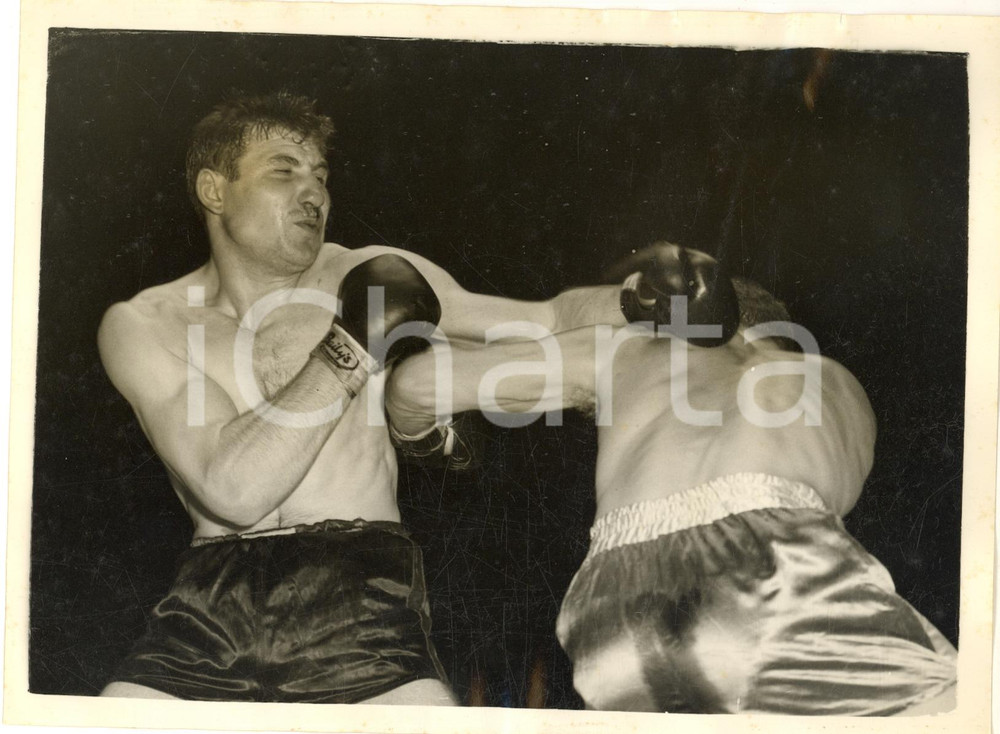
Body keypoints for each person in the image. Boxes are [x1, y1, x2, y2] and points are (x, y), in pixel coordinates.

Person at [96, 92, 736, 705]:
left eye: (321, 176)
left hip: (356, 588)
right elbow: (232, 490)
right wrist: (353, 345)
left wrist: (642, 299)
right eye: (284, 171)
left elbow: (541, 319)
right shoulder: (144, 324)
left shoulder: (360, 271)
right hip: (208, 608)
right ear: (214, 191)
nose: (313, 193)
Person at [385, 268, 958, 715]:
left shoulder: (628, 346)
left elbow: (414, 384)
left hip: (612, 604)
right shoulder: (840, 386)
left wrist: (427, 441)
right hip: (776, 569)